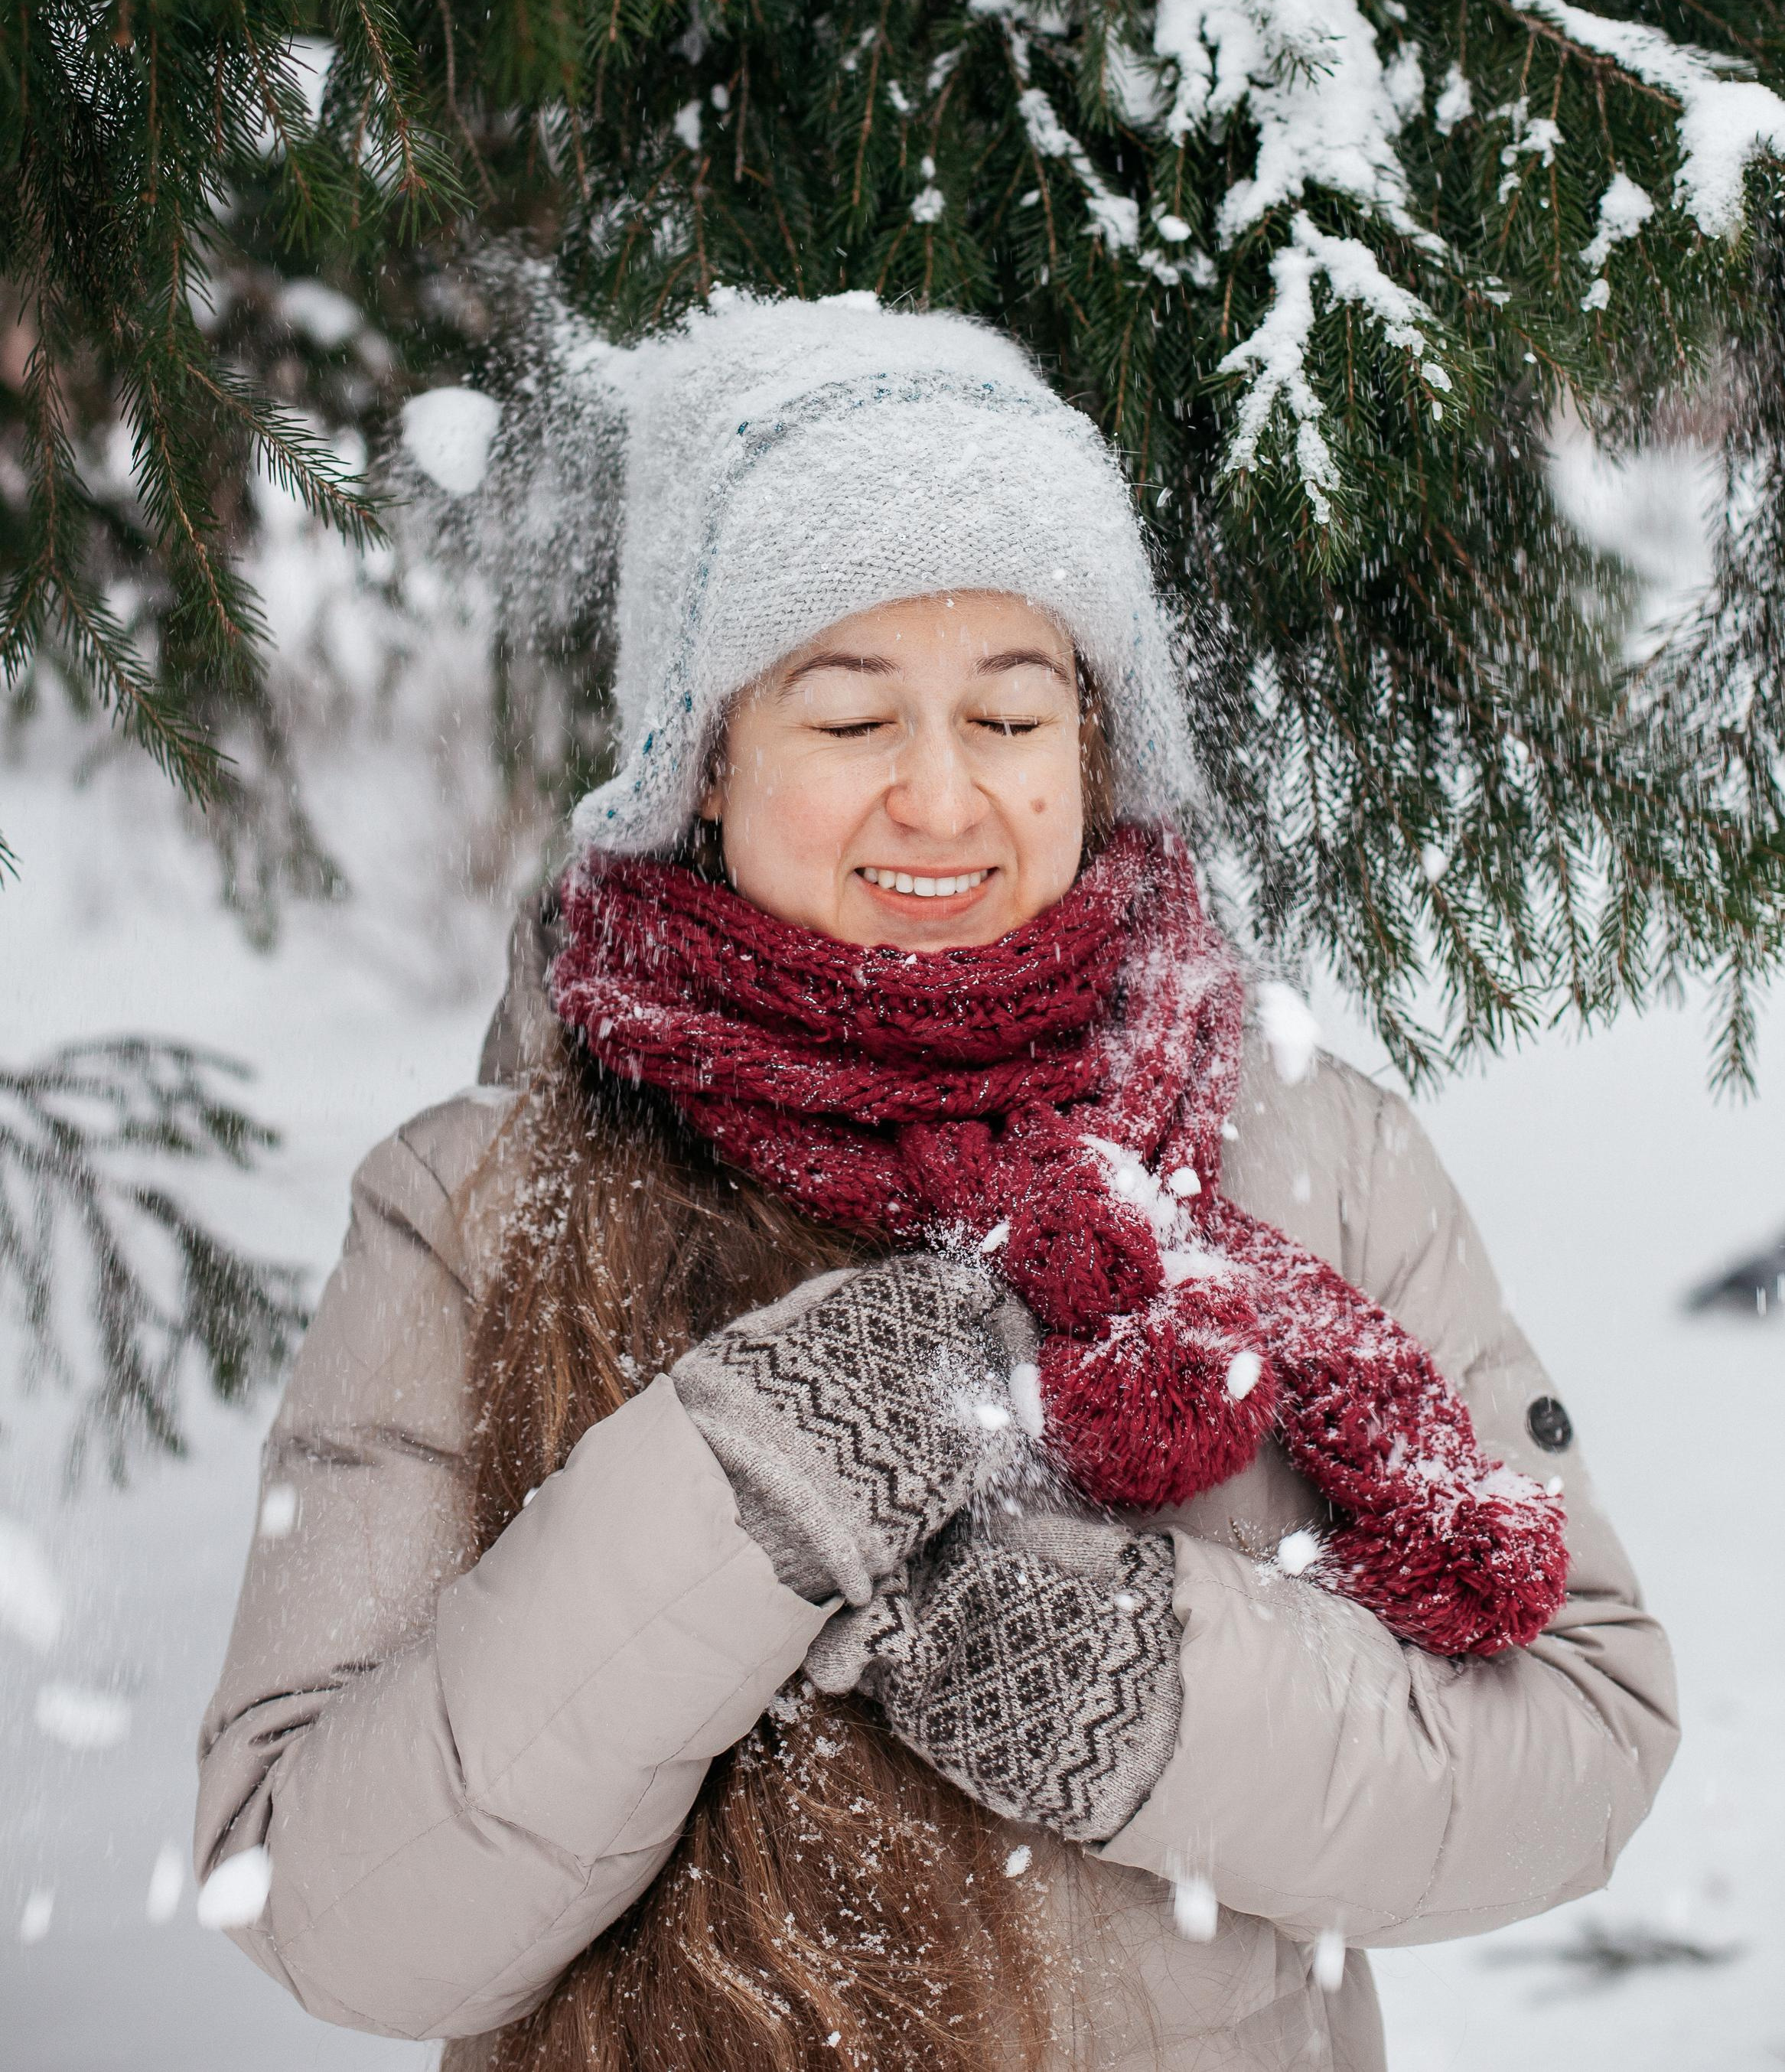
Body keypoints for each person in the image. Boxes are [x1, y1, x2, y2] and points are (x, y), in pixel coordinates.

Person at [197, 291, 1676, 2072]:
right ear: (707, 758)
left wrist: (1142, 1695)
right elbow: (328, 1910)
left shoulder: (1308, 1153)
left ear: (1091, 743)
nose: (943, 798)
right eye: (847, 719)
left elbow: (1578, 1739)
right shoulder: (479, 1204)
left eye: (1010, 710)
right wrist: (749, 1486)